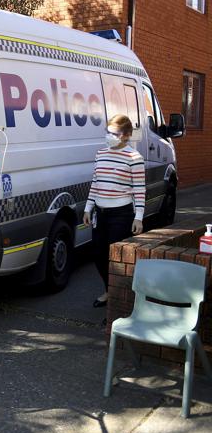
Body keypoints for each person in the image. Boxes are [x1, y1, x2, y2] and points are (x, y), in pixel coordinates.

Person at [83, 114, 145, 308]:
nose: (109, 136)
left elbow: (139, 188)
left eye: (114, 133)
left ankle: (118, 303)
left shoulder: (134, 157)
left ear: (126, 135)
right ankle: (110, 291)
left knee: (116, 259)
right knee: (99, 255)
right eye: (107, 132)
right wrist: (88, 208)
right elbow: (96, 182)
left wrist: (139, 218)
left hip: (121, 214)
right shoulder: (101, 154)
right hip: (100, 213)